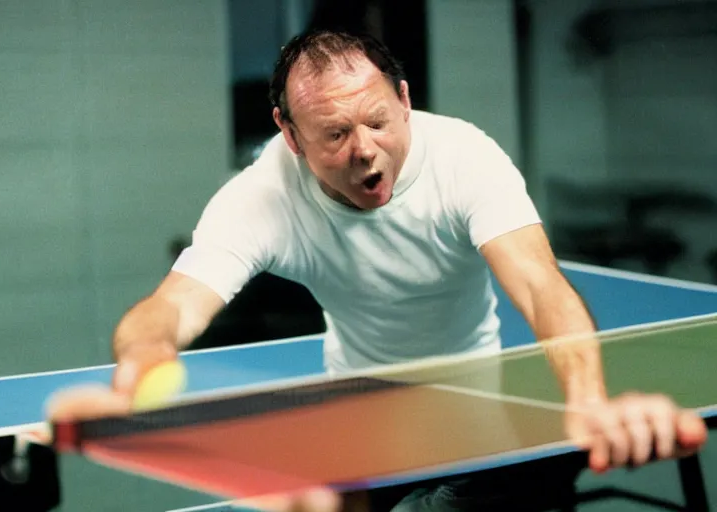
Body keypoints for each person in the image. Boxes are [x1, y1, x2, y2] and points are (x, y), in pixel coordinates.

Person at [50, 29, 707, 511]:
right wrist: (141, 356)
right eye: (334, 134)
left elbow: (539, 285)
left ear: (403, 96)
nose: (366, 151)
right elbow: (173, 306)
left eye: (379, 121)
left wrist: (586, 399)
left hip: (478, 410)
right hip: (360, 419)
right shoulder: (262, 197)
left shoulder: (464, 157)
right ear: (289, 132)